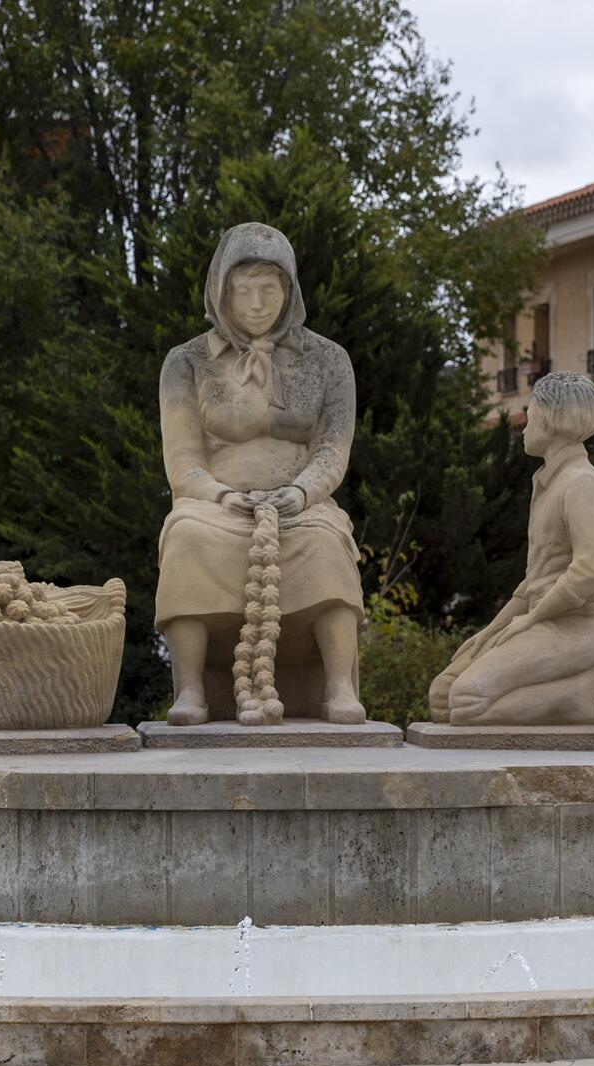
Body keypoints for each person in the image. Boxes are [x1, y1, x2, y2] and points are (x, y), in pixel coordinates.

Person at [155, 223, 367, 725]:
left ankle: (338, 687)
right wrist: (222, 497)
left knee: (326, 543)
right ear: (222, 291)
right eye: (243, 290)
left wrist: (302, 491)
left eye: (268, 290)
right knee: (184, 537)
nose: (255, 304)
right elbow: (182, 462)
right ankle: (191, 691)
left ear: (289, 290)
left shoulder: (328, 360)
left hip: (301, 505)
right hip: (217, 508)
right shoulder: (186, 362)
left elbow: (333, 449)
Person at [429, 371, 594, 726]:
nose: (524, 427)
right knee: (441, 696)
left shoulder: (582, 484)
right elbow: (533, 584)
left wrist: (531, 619)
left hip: (585, 625)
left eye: (530, 416)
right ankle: (587, 686)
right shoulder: (546, 484)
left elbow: (591, 569)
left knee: (465, 702)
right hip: (545, 619)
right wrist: (490, 631)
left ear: (551, 420)